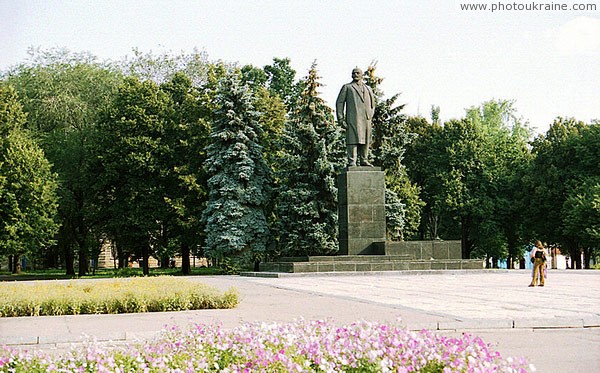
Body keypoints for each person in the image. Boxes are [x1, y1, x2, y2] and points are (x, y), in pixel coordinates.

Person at [336, 67, 376, 167]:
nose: (355, 75)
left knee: (366, 139)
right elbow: (340, 103)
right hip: (353, 119)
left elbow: (372, 104)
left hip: (366, 119)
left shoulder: (368, 88)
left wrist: (370, 114)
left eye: (358, 73)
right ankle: (352, 160)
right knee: (352, 139)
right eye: (353, 73)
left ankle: (364, 159)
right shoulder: (347, 87)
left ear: (362, 75)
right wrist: (341, 119)